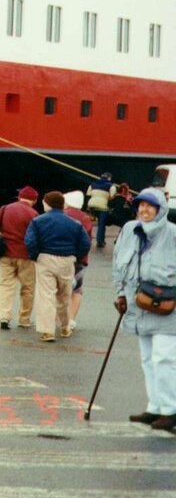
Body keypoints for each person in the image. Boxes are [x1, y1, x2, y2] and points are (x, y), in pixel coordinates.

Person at [112, 188, 176, 432]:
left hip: (167, 307)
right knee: (148, 359)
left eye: (150, 206)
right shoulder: (130, 230)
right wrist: (120, 293)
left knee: (164, 358)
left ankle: (171, 410)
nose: (144, 210)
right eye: (141, 205)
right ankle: (155, 406)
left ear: (160, 210)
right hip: (138, 305)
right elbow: (118, 263)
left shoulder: (172, 233)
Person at [26, 190, 90, 342]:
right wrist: (76, 256)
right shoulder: (75, 223)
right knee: (64, 296)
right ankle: (65, 327)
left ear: (47, 203)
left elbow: (30, 241)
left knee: (46, 295)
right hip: (67, 260)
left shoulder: (38, 221)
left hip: (45, 258)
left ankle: (47, 331)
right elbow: (85, 243)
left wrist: (35, 256)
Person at [0, 186, 40, 331]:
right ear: (35, 200)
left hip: (6, 254)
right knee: (28, 288)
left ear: (19, 197)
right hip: (26, 256)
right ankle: (24, 319)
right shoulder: (34, 214)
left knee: (6, 285)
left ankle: (4, 316)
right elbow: (36, 237)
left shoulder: (4, 209)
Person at [62, 190, 94, 333]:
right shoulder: (86, 219)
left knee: (59, 289)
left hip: (61, 257)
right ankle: (72, 319)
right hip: (80, 260)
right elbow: (87, 241)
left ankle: (58, 318)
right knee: (77, 290)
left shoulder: (62, 215)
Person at [87, 172, 116, 249]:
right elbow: (112, 196)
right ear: (109, 178)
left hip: (92, 205)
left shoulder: (92, 184)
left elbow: (88, 194)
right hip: (103, 206)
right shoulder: (111, 185)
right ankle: (100, 241)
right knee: (101, 223)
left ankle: (88, 239)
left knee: (90, 222)